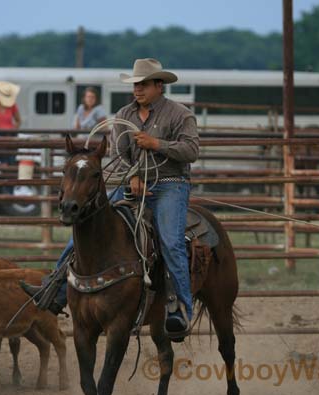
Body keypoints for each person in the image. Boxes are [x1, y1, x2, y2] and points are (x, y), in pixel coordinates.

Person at [21, 58, 199, 339]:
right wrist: (132, 177)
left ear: (158, 86)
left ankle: (180, 309)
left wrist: (157, 144)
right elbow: (117, 156)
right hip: (131, 183)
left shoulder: (180, 115)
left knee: (170, 240)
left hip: (169, 184)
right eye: (135, 85)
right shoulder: (124, 115)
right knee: (85, 224)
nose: (137, 90)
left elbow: (191, 150)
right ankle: (54, 290)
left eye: (143, 85)